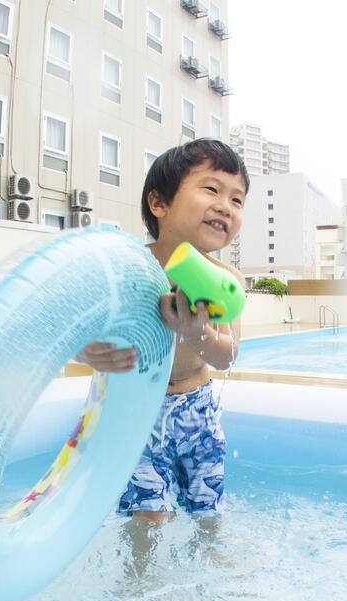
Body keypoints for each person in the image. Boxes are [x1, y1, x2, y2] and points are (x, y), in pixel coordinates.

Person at [77, 139, 249, 524]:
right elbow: (75, 332)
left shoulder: (226, 280)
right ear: (159, 204)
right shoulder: (126, 269)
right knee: (148, 517)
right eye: (211, 189)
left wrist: (195, 332)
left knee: (208, 512)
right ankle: (140, 582)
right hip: (135, 409)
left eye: (237, 200)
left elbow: (228, 356)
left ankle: (212, 569)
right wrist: (85, 351)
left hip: (197, 410)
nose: (226, 205)